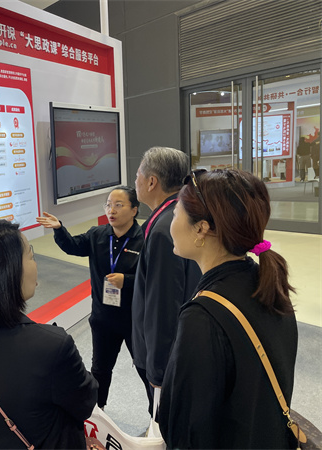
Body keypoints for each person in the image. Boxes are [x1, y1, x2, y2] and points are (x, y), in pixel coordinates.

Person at [159, 169, 298, 448]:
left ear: (201, 228)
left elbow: (186, 432)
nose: (170, 224)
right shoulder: (267, 283)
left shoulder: (203, 317)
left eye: (175, 213)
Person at [0, 219, 98, 449]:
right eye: (31, 255)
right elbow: (85, 402)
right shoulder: (51, 346)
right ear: (8, 271)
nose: (35, 263)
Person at [36, 186, 144, 409]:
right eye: (108, 205)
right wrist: (59, 229)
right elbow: (73, 246)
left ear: (134, 210)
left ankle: (158, 415)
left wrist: (127, 281)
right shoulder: (97, 235)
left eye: (118, 205)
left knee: (145, 368)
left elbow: (153, 278)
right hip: (103, 318)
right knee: (100, 370)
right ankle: (99, 412)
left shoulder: (144, 240)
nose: (111, 210)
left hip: (135, 319)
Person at [132, 147, 201, 416]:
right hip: (181, 349)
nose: (135, 180)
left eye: (138, 174)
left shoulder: (164, 229)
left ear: (152, 182)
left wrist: (158, 372)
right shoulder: (180, 215)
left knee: (163, 419)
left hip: (166, 361)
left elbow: (164, 306)